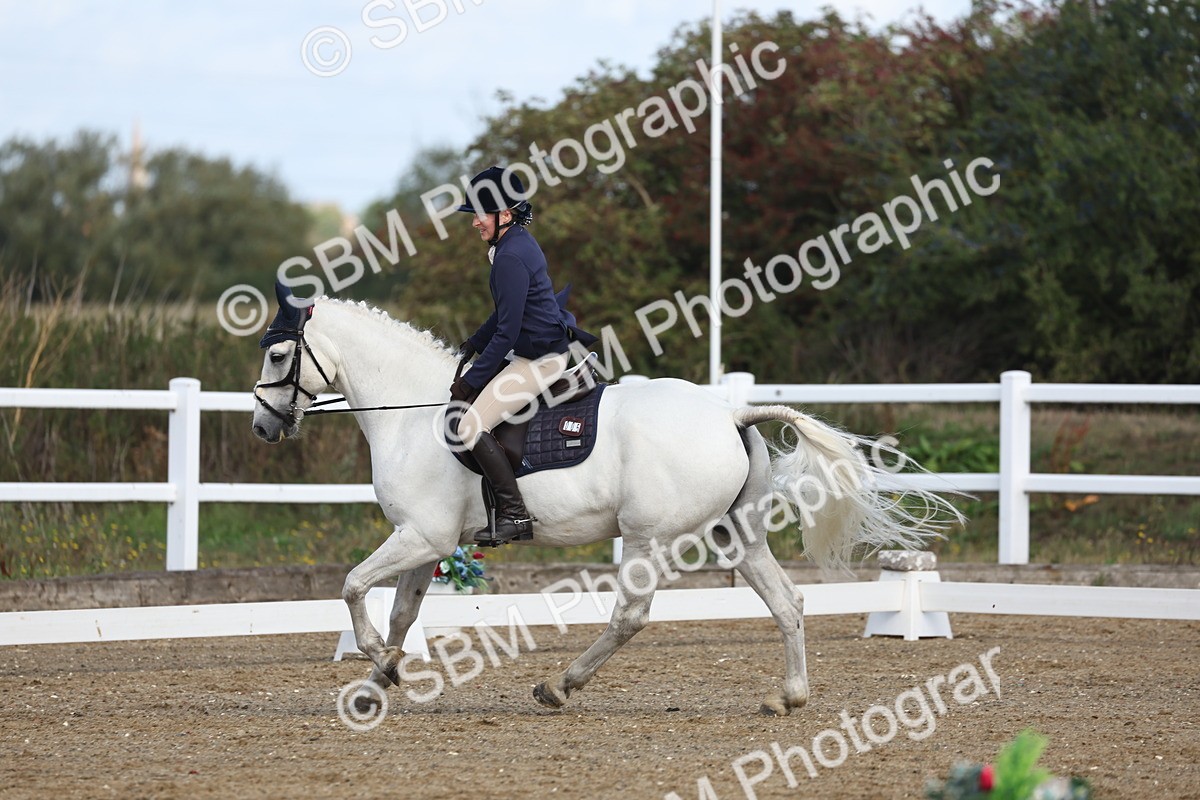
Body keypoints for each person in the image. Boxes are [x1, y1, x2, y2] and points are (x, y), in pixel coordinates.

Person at [450, 165, 595, 546]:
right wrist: (474, 342)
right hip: (534, 350)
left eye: (480, 215)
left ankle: (514, 515)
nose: (474, 223)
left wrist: (470, 380)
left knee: (469, 426)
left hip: (539, 361)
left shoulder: (510, 256)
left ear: (505, 215)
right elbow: (506, 312)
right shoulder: (512, 244)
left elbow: (508, 331)